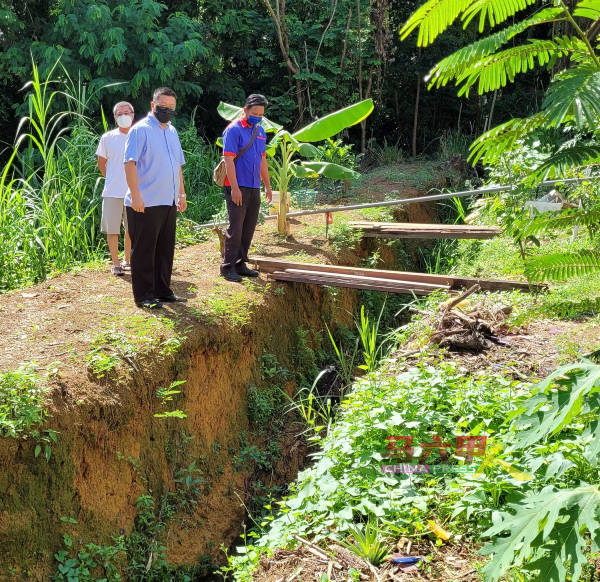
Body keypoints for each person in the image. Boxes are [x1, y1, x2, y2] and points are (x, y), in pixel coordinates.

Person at [123, 87, 187, 309]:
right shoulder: (140, 130)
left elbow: (177, 165)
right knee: (144, 250)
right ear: (153, 106)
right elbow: (129, 164)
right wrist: (136, 196)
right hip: (145, 202)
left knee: (164, 248)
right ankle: (144, 295)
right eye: (163, 107)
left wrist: (181, 193)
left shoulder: (172, 131)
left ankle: (163, 290)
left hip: (168, 200)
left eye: (171, 108)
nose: (167, 110)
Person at [220, 94, 273, 282]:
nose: (258, 116)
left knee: (249, 226)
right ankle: (227, 267)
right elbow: (228, 160)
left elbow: (262, 161)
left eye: (261, 114)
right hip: (237, 185)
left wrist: (267, 185)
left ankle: (241, 263)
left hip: (253, 186)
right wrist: (234, 188)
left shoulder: (260, 131)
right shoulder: (233, 130)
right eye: (254, 112)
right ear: (245, 111)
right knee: (236, 226)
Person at [96, 101, 134, 276]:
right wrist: (112, 179)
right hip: (112, 191)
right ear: (115, 117)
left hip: (134, 192)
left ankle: (127, 260)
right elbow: (101, 164)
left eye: (127, 112)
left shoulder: (139, 135)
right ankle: (116, 263)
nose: (124, 116)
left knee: (132, 229)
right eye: (120, 113)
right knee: (112, 229)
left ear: (133, 115)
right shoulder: (108, 138)